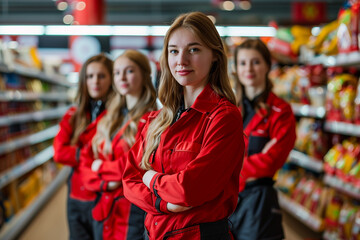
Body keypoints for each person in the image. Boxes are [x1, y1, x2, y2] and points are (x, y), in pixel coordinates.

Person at [122, 11, 245, 240]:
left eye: (194, 49)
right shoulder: (156, 120)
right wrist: (165, 204)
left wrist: (150, 179)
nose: (181, 60)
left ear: (215, 55)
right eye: (174, 51)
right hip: (153, 233)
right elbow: (129, 181)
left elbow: (190, 188)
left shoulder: (223, 118)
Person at [80, 49, 157, 240]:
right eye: (117, 72)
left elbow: (133, 166)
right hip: (104, 206)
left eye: (129, 71)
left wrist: (100, 167)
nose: (121, 77)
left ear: (144, 75)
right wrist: (106, 181)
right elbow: (85, 160)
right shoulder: (109, 116)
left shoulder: (152, 120)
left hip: (132, 211)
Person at [229, 38, 296, 240]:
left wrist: (228, 170)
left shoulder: (281, 112)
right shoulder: (227, 109)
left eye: (256, 62)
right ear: (236, 68)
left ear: (267, 65)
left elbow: (271, 162)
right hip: (224, 202)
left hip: (258, 204)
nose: (248, 68)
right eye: (242, 63)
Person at [53, 54, 114, 240]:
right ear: (83, 80)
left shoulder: (119, 116)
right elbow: (59, 153)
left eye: (101, 76)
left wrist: (78, 154)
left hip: (105, 196)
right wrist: (90, 154)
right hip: (76, 197)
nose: (95, 81)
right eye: (90, 76)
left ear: (112, 79)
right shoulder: (73, 115)